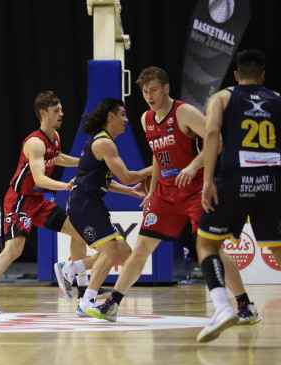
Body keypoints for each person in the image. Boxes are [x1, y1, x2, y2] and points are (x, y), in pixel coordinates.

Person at [86, 67, 260, 325]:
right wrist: (153, 191)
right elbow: (157, 156)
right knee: (141, 248)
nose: (149, 96)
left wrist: (193, 166)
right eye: (145, 92)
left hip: (195, 191)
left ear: (166, 88)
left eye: (154, 90)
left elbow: (217, 142)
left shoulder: (184, 112)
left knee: (212, 249)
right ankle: (113, 304)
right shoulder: (146, 118)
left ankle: (246, 305)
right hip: (165, 194)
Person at [0, 91, 85, 314]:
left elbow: (58, 157)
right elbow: (39, 179)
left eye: (61, 109)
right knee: (14, 249)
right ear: (43, 113)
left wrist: (83, 162)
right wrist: (65, 186)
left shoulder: (55, 137)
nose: (62, 114)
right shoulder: (35, 143)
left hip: (37, 200)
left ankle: (85, 292)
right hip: (19, 200)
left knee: (79, 232)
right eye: (56, 110)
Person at [195, 50, 281, 343]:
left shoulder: (221, 98)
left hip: (234, 180)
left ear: (236, 74)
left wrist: (208, 179)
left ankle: (222, 307)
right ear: (263, 76)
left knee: (207, 244)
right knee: (278, 250)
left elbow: (211, 134)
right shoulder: (277, 99)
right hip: (272, 181)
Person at [57, 98, 152, 317]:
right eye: (122, 115)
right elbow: (128, 176)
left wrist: (131, 191)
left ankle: (72, 268)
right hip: (84, 204)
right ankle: (87, 301)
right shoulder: (104, 143)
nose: (126, 119)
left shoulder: (103, 141)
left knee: (125, 254)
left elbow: (104, 180)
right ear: (111, 116)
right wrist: (156, 167)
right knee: (110, 251)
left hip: (91, 202)